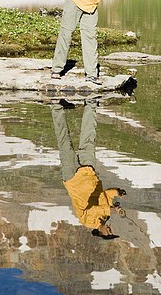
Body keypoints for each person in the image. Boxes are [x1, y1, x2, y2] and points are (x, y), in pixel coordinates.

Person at [51, 98, 126, 239]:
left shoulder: (88, 222)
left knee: (65, 143)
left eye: (108, 233)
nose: (110, 230)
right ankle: (91, 105)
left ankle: (56, 107)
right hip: (89, 173)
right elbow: (105, 195)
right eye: (112, 232)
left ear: (100, 233)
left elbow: (92, 209)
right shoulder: (106, 216)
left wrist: (112, 210)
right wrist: (117, 192)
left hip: (73, 178)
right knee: (89, 140)